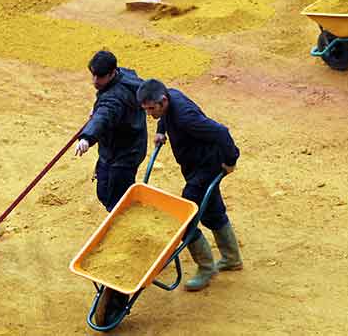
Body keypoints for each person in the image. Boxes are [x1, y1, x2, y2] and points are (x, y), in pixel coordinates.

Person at [136, 79, 243, 292]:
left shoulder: (186, 118)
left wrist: (231, 160)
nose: (149, 114)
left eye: (151, 109)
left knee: (184, 216)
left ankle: (206, 268)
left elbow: (221, 132)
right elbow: (166, 116)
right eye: (146, 110)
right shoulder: (170, 97)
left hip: (205, 166)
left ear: (163, 100)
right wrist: (161, 129)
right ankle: (232, 258)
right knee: (211, 209)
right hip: (193, 164)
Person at [74, 50, 147, 324]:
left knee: (115, 197)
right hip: (125, 144)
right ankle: (123, 222)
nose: (94, 80)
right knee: (108, 192)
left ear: (111, 73)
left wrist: (87, 137)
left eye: (100, 76)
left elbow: (105, 114)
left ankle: (129, 235)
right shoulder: (126, 76)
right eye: (93, 74)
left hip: (122, 155)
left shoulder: (114, 97)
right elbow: (103, 110)